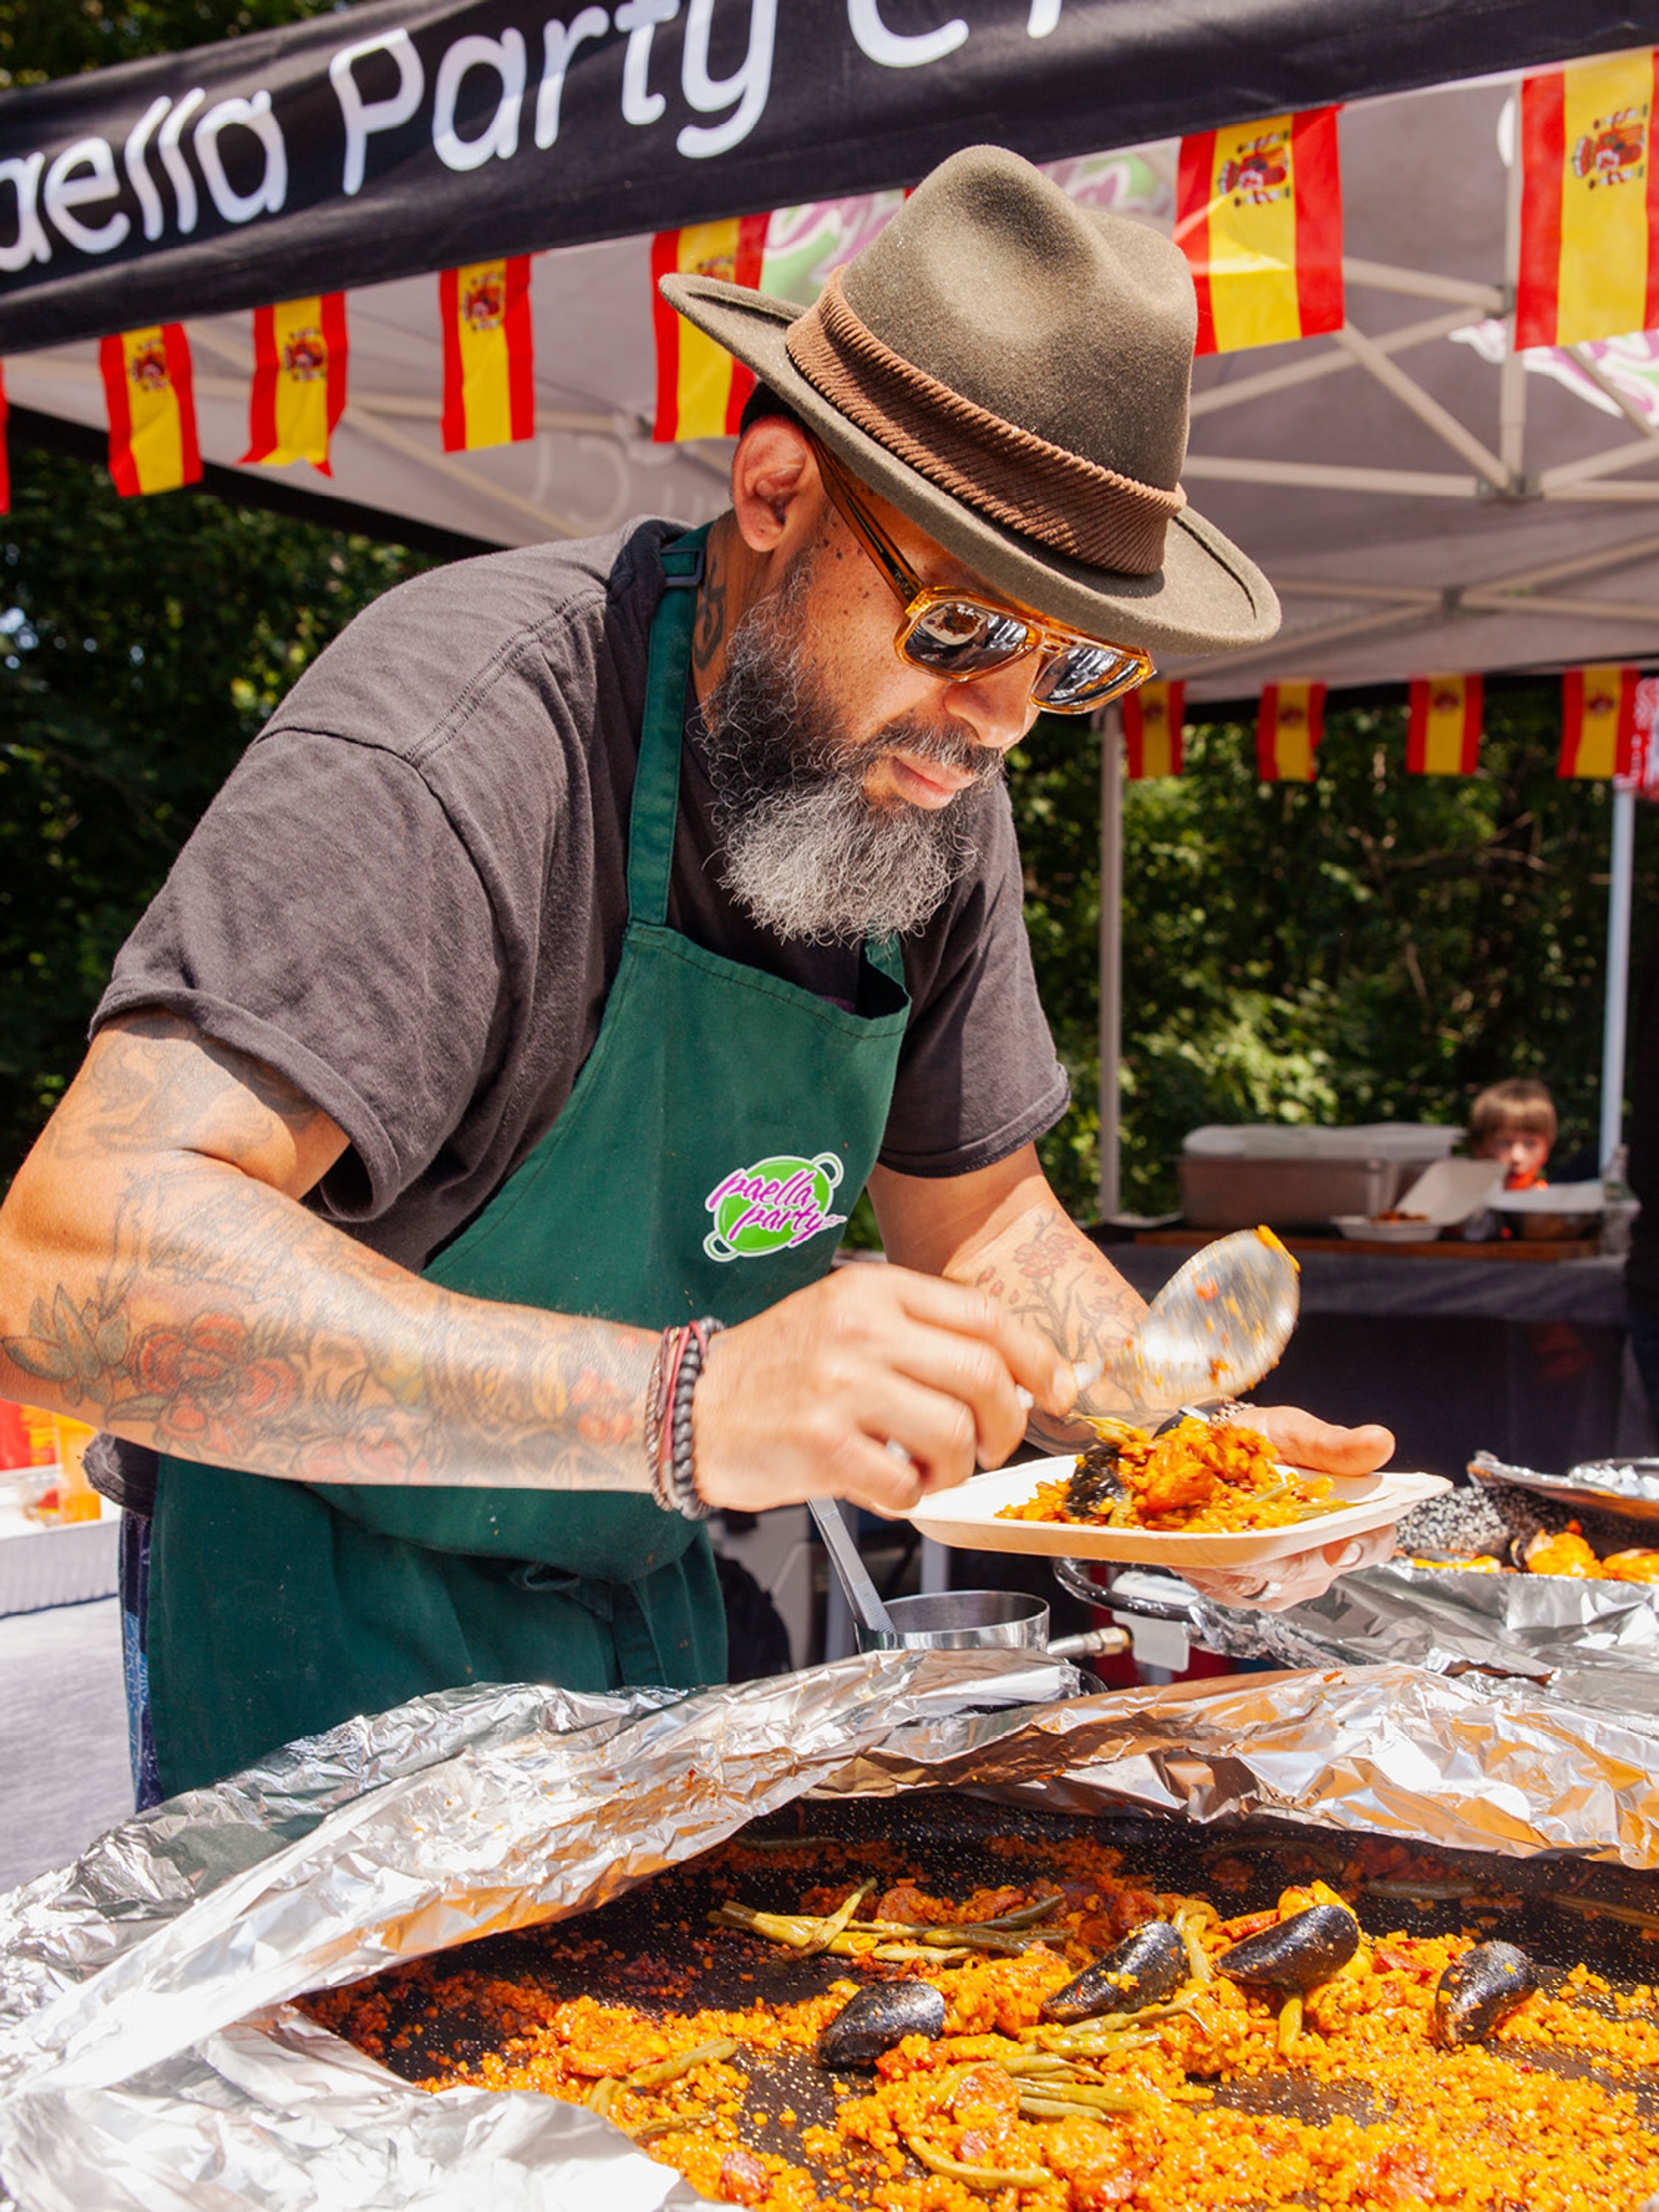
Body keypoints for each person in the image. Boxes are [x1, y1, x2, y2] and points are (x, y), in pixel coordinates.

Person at [0, 147, 1394, 1804]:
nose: (1005, 713)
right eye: (957, 622)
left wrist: (1175, 1451)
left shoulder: (935, 782)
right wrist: (687, 1403)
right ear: (778, 493)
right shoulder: (461, 740)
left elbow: (984, 1224)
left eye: (1072, 658)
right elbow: (66, 1270)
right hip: (318, 1628)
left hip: (635, 1610)